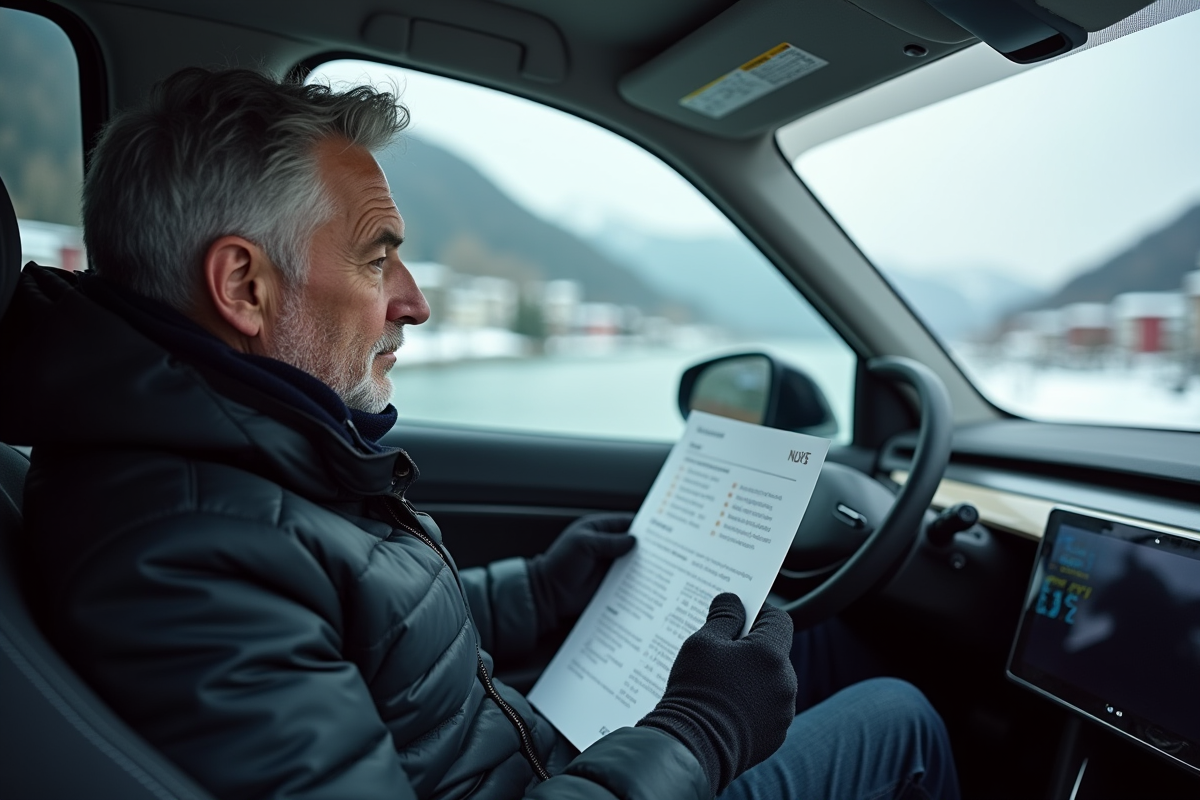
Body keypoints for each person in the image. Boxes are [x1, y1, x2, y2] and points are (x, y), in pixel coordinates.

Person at [0, 68, 958, 800]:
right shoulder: (180, 553)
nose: (413, 302)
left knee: (811, 653)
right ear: (244, 286)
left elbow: (363, 634)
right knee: (901, 719)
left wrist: (537, 592)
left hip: (524, 761)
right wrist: (698, 733)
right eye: (380, 259)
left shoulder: (224, 453)